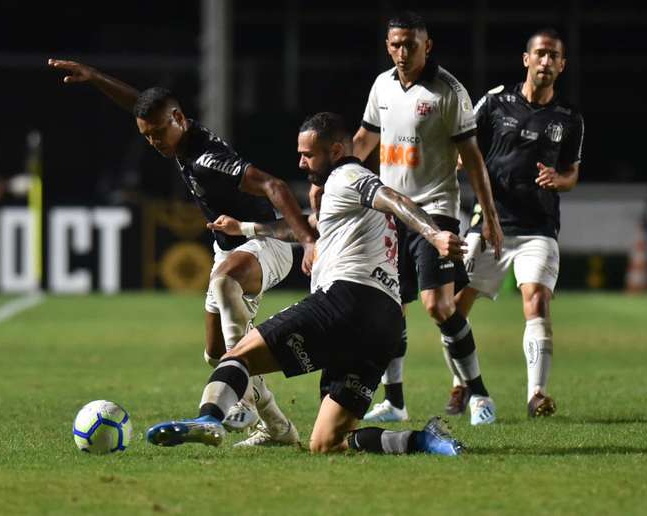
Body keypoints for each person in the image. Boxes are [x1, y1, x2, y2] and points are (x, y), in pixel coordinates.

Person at [144, 112, 466, 456]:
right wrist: (247, 229)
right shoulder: (340, 197)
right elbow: (306, 229)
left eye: (309, 155)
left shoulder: (349, 176)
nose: (301, 163)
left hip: (346, 300)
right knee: (327, 443)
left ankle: (209, 419)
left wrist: (434, 234)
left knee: (235, 355)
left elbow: (394, 198)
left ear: (337, 151)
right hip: (383, 324)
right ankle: (424, 440)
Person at [48, 59, 318, 445]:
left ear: (179, 117)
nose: (155, 141)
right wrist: (95, 79)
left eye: (159, 133)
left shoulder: (208, 159)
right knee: (214, 354)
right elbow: (142, 104)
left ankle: (236, 399)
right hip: (228, 248)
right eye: (147, 136)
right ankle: (277, 428)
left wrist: (307, 239)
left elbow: (274, 185)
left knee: (227, 289)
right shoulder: (175, 135)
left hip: (267, 243)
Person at [346, 11, 504, 425]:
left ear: (427, 45)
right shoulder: (382, 85)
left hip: (434, 214)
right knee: (388, 307)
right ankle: (395, 402)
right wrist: (331, 175)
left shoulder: (448, 92)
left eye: (410, 44)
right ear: (387, 44)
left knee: (438, 306)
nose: (402, 52)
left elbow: (472, 159)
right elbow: (365, 137)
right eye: (396, 44)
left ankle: (479, 394)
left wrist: (489, 217)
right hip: (391, 213)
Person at [453, 28, 584, 417]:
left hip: (538, 228)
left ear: (562, 65)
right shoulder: (494, 103)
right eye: (540, 54)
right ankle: (462, 382)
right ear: (526, 59)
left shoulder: (569, 119)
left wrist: (557, 180)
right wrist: (461, 164)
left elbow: (572, 173)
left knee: (537, 298)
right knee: (452, 306)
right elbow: (463, 146)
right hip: (488, 224)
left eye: (553, 56)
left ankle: (536, 394)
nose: (545, 61)